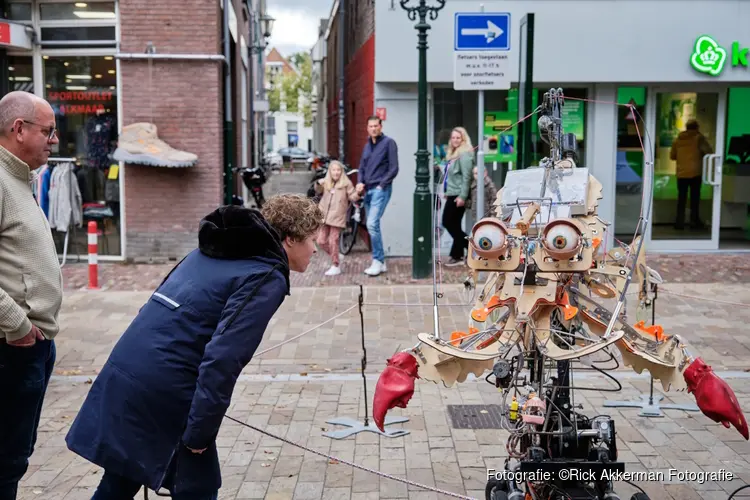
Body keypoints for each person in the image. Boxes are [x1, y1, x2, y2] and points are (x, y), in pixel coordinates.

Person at [65, 194, 323, 500]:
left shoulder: (216, 248)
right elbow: (223, 359)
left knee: (120, 482)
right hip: (166, 390)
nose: (316, 248)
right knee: (197, 488)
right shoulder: (266, 276)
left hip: (128, 371)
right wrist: (200, 431)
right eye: (311, 239)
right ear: (290, 240)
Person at [0, 91, 63, 500]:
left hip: (30, 347)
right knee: (5, 461)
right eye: (48, 131)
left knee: (15, 457)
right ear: (19, 129)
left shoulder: (20, 178)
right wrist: (16, 324)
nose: (54, 140)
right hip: (12, 349)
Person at [356, 116, 398, 277]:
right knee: (373, 224)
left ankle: (378, 260)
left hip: (381, 189)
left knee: (372, 223)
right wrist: (360, 182)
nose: (373, 128)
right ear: (367, 128)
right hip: (367, 190)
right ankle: (381, 262)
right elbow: (362, 168)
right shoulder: (367, 146)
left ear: (381, 127)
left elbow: (394, 168)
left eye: (376, 126)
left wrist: (382, 185)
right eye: (370, 126)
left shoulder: (389, 143)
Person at [315, 160, 359, 276]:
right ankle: (336, 255)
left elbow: (353, 196)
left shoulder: (346, 184)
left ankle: (336, 265)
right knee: (320, 241)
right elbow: (317, 191)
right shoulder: (326, 182)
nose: (336, 172)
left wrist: (358, 193)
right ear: (330, 171)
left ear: (342, 171)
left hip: (337, 216)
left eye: (338, 170)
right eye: (333, 170)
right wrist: (318, 184)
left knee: (332, 240)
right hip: (324, 215)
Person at [670, 119, 712, 230]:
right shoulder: (699, 138)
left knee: (681, 198)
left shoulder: (678, 139)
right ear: (697, 128)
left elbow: (672, 156)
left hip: (681, 173)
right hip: (695, 173)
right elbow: (708, 151)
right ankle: (694, 221)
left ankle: (679, 222)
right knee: (695, 198)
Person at [441, 127, 474, 266]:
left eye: (458, 138)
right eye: (453, 137)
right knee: (454, 224)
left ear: (463, 139)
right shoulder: (453, 153)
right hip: (452, 192)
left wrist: (462, 196)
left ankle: (472, 248)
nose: (455, 140)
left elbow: (467, 176)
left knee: (448, 222)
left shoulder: (465, 154)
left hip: (458, 194)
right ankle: (457, 255)